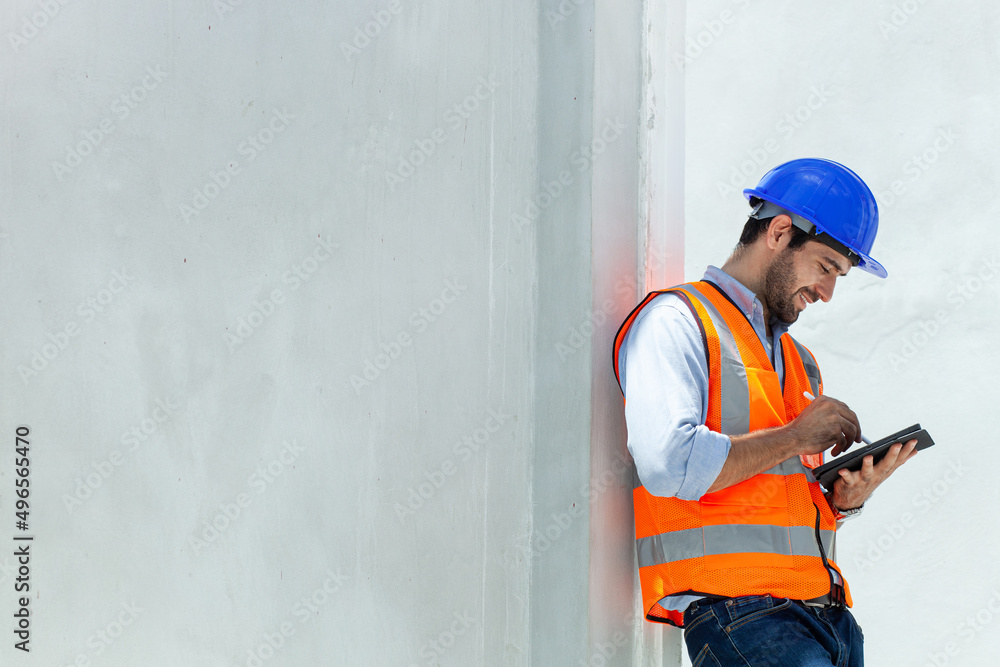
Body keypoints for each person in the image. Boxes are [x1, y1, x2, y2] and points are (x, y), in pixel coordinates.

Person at [612, 158, 918, 666]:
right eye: (825, 267)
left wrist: (840, 501)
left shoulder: (801, 363)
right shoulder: (676, 320)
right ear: (779, 232)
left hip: (829, 621)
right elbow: (668, 465)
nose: (827, 293)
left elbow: (767, 505)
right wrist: (796, 436)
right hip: (743, 618)